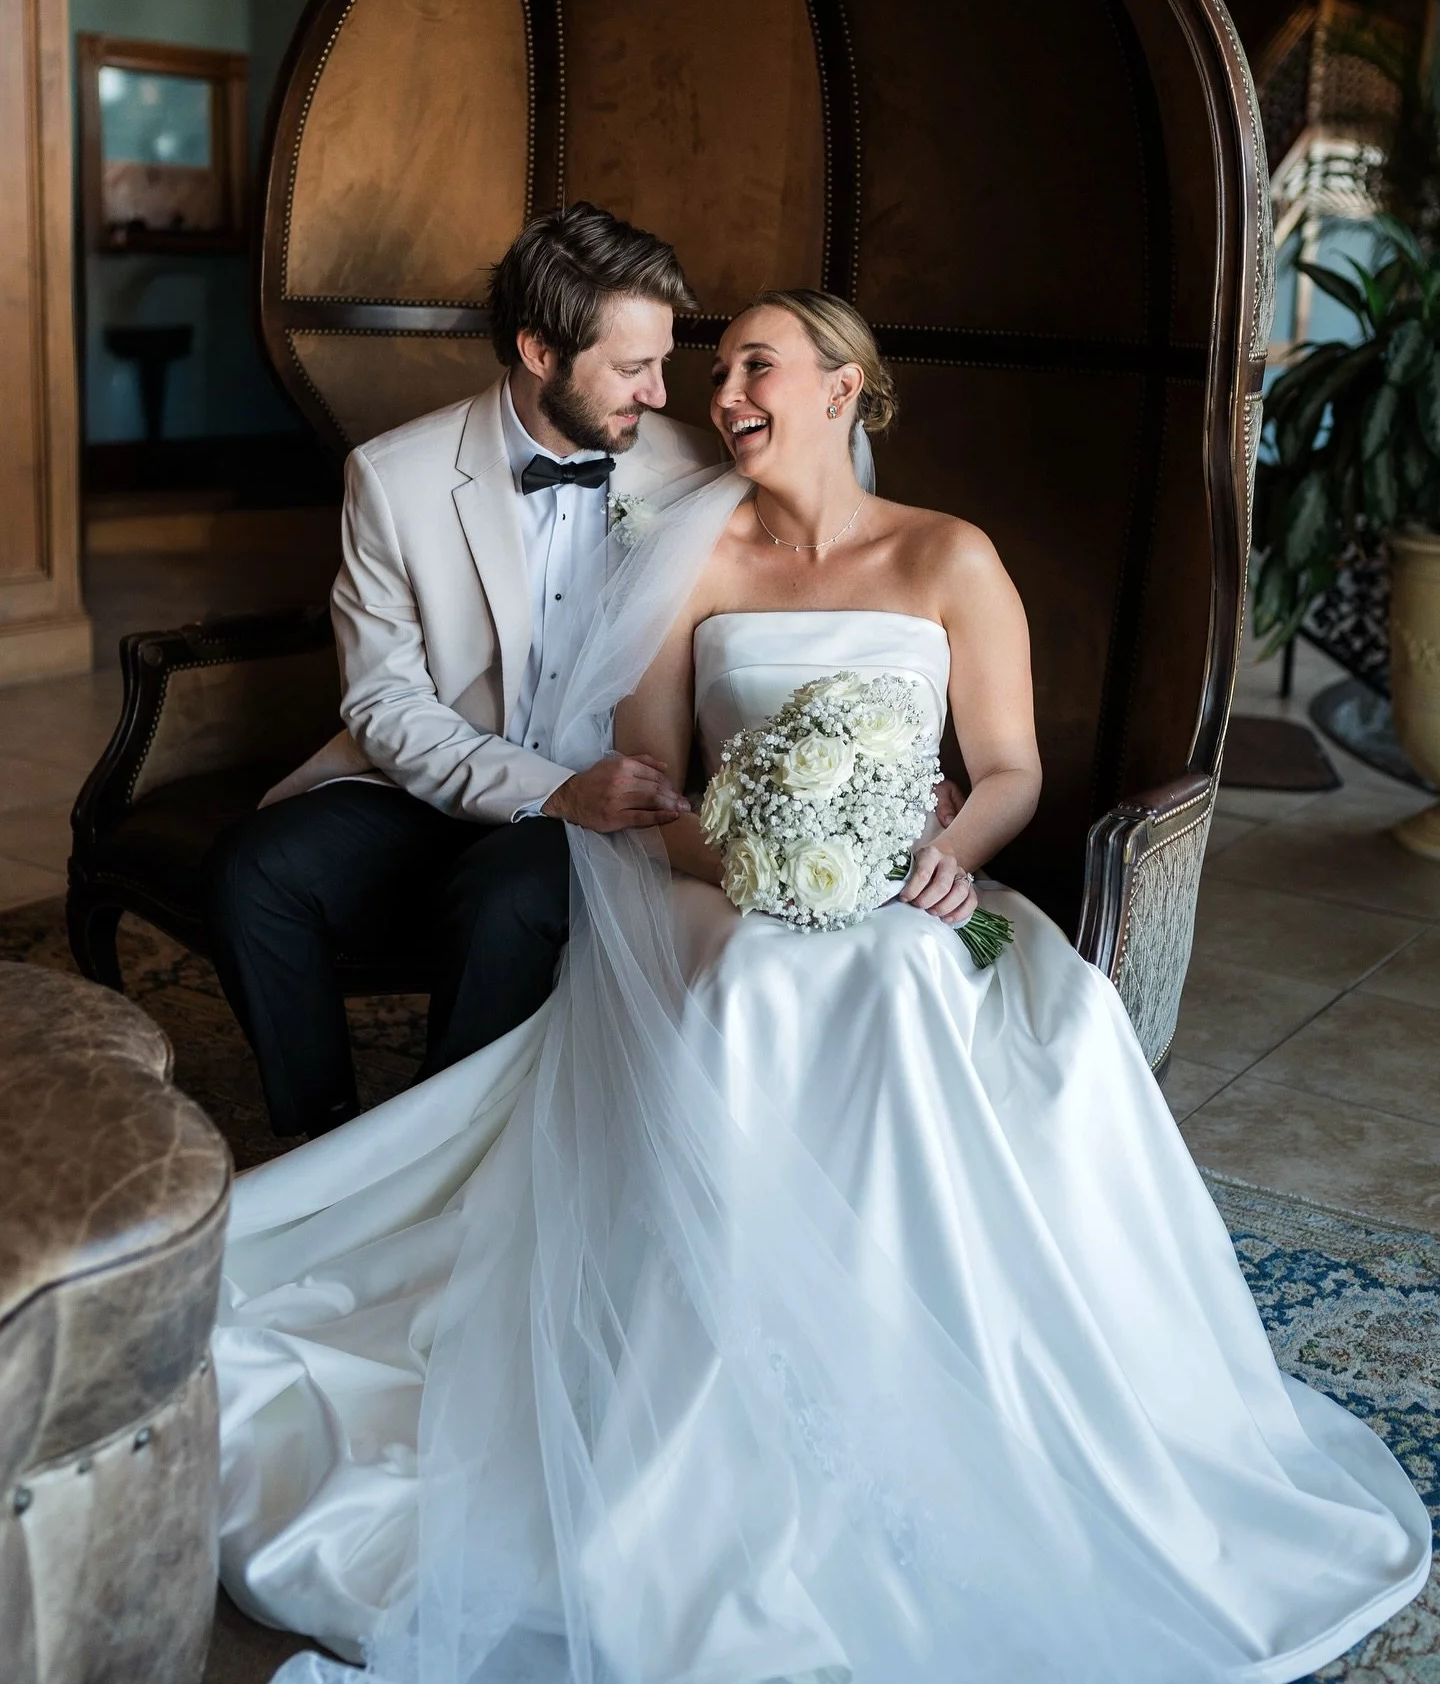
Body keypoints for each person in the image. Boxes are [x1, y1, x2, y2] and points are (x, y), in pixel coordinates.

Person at [214, 292, 1430, 1684]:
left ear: (844, 388)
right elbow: (654, 787)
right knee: (753, 988)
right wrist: (747, 858)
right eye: (716, 365)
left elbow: (1012, 769)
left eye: (754, 365)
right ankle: (729, 1396)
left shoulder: (948, 556)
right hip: (717, 894)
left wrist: (936, 852)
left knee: (912, 988)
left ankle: (925, 1368)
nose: (721, 388)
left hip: (914, 897)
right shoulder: (684, 555)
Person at [203, 203, 714, 1138]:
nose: (656, 391)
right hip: (437, 773)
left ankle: (441, 1165)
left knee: (504, 900)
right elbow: (386, 698)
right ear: (537, 351)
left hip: (618, 797)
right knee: (254, 871)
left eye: (662, 360)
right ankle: (321, 1141)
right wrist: (554, 789)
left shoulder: (699, 472)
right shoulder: (394, 478)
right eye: (631, 366)